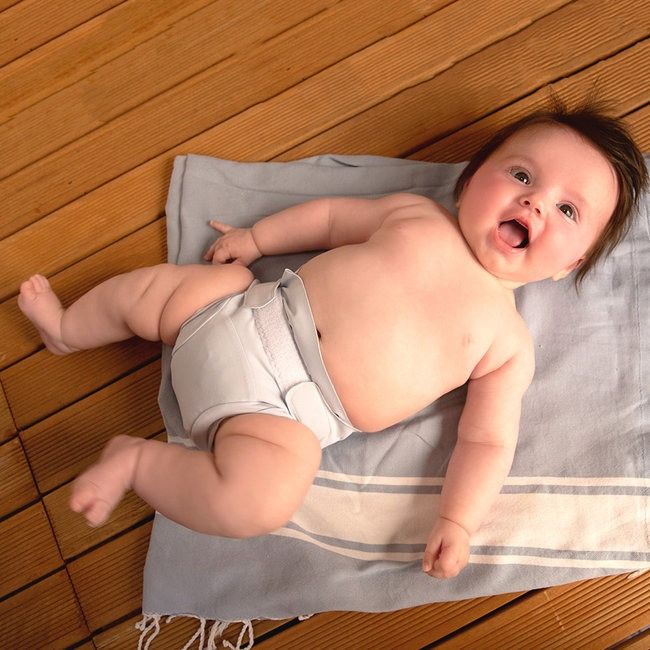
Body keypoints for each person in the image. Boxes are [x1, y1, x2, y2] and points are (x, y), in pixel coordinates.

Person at [18, 101, 647, 579]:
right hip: (233, 311)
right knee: (157, 291)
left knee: (262, 499)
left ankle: (136, 462)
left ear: (570, 266)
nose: (535, 202)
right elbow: (328, 218)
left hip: (277, 420)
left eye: (568, 210)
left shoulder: (507, 344)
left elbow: (486, 441)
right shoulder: (415, 215)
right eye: (521, 174)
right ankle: (68, 330)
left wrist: (458, 520)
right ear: (472, 179)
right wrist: (257, 239)